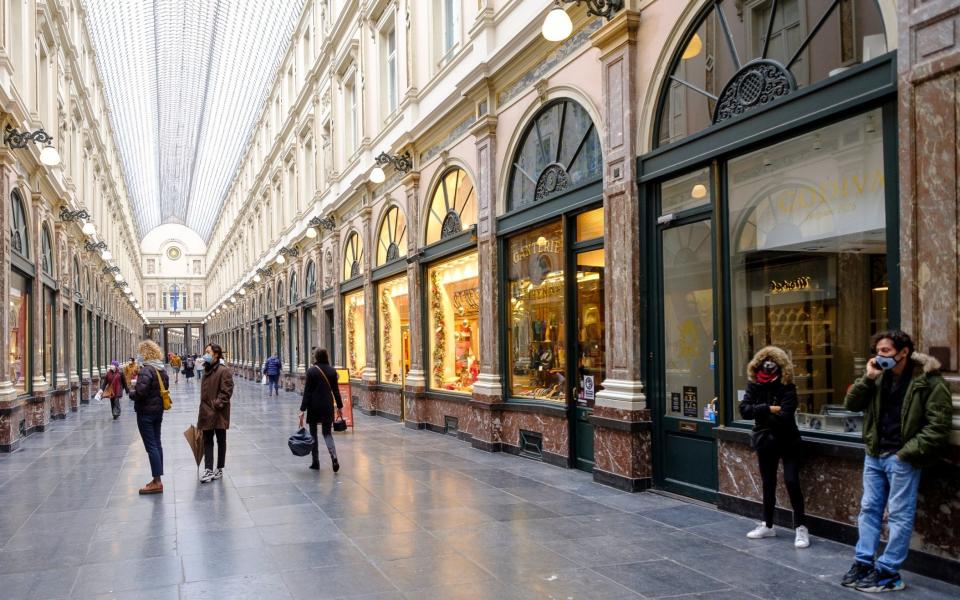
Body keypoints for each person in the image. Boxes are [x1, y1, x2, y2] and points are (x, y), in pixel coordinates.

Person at [840, 330, 952, 593]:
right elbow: (851, 404)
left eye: (886, 351)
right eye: (878, 351)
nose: (880, 356)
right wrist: (867, 378)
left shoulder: (929, 382)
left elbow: (938, 427)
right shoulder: (878, 377)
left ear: (904, 352)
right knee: (868, 510)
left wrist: (906, 453)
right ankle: (864, 563)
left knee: (899, 515)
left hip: (902, 457)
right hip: (875, 454)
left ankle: (889, 572)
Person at [738, 346, 808, 549]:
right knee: (768, 483)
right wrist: (769, 408)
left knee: (791, 481)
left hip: (788, 441)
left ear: (780, 366)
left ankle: (801, 528)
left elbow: (785, 417)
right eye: (764, 361)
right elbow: (744, 411)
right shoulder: (754, 386)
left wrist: (758, 412)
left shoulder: (788, 388)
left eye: (772, 362)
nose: (768, 365)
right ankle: (767, 524)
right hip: (765, 442)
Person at [131, 340, 168, 494]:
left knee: (151, 446)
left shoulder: (147, 370)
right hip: (158, 411)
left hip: (145, 412)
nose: (138, 355)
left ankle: (157, 481)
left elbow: (140, 393)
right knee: (157, 443)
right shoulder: (161, 369)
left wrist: (132, 390)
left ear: (145, 353)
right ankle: (157, 478)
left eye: (140, 352)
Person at [299, 348, 342, 472]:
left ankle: (315, 462)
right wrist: (339, 406)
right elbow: (336, 391)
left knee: (313, 433)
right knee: (327, 433)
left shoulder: (311, 371)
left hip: (313, 405)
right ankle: (334, 457)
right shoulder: (332, 371)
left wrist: (302, 409)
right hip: (327, 405)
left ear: (316, 357)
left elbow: (307, 392)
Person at [197, 343, 234, 483]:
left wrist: (216, 404)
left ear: (216, 354)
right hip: (206, 412)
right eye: (205, 351)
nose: (205, 354)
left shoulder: (223, 371)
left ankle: (219, 468)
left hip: (218, 412)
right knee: (207, 440)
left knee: (221, 440)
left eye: (208, 352)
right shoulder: (206, 370)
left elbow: (227, 391)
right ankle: (208, 469)